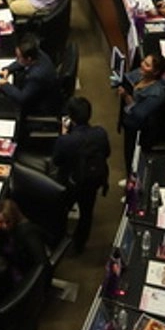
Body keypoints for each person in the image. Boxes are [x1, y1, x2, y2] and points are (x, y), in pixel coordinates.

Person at [53, 96, 110, 252]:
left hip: (70, 182)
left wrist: (64, 134)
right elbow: (107, 153)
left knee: (61, 210)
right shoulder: (100, 133)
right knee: (86, 213)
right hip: (93, 180)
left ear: (71, 118)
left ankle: (58, 240)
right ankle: (79, 245)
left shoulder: (66, 141)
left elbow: (57, 161)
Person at [119, 53, 165, 180]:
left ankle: (132, 181)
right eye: (143, 61)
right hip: (129, 121)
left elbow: (139, 113)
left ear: (155, 72)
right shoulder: (141, 73)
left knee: (134, 156)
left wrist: (126, 96)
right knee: (127, 152)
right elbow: (126, 77)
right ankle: (129, 176)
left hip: (141, 130)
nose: (142, 65)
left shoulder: (157, 93)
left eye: (147, 65)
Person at [0, 33, 61, 116]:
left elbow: (22, 98)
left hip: (41, 105)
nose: (17, 59)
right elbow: (22, 62)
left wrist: (4, 84)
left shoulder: (36, 76)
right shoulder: (36, 53)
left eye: (19, 57)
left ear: (28, 59)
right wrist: (8, 69)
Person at [0, 199, 47, 284]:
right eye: (1, 222)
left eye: (8, 222)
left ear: (15, 217)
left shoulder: (28, 233)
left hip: (22, 273)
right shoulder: (2, 227)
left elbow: (42, 263)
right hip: (11, 262)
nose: (4, 226)